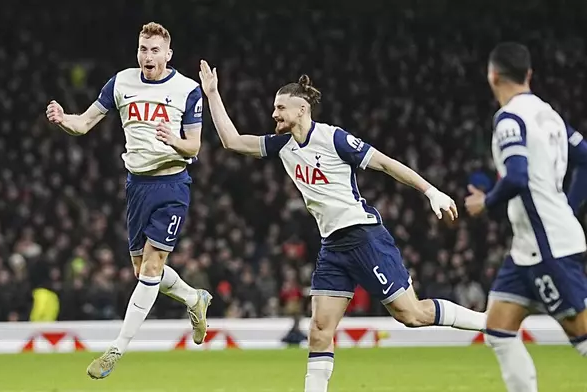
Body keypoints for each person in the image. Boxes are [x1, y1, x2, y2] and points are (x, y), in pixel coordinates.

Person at [198, 60, 487, 392]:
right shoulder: (283, 146)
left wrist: (430, 191)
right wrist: (212, 94)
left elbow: (385, 163)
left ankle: (489, 323)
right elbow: (232, 141)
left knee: (411, 314)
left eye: (280, 107)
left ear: (301, 109)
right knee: (320, 329)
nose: (274, 114)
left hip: (363, 236)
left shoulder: (333, 138)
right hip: (332, 246)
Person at [45, 22, 212, 379]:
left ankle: (115, 349)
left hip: (171, 186)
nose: (147, 56)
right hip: (136, 187)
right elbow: (84, 124)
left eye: (154, 50)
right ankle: (193, 299)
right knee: (142, 272)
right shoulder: (121, 82)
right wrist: (63, 119)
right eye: (142, 49)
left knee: (151, 269)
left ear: (168, 54)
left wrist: (174, 140)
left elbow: (194, 146)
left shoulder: (188, 90)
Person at [465, 42, 587, 392]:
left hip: (548, 245)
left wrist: (485, 203)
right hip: (527, 248)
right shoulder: (550, 115)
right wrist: (568, 206)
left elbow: (516, 176)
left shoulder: (509, 118)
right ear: (528, 74)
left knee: (582, 336)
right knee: (499, 330)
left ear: (493, 76)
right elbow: (585, 158)